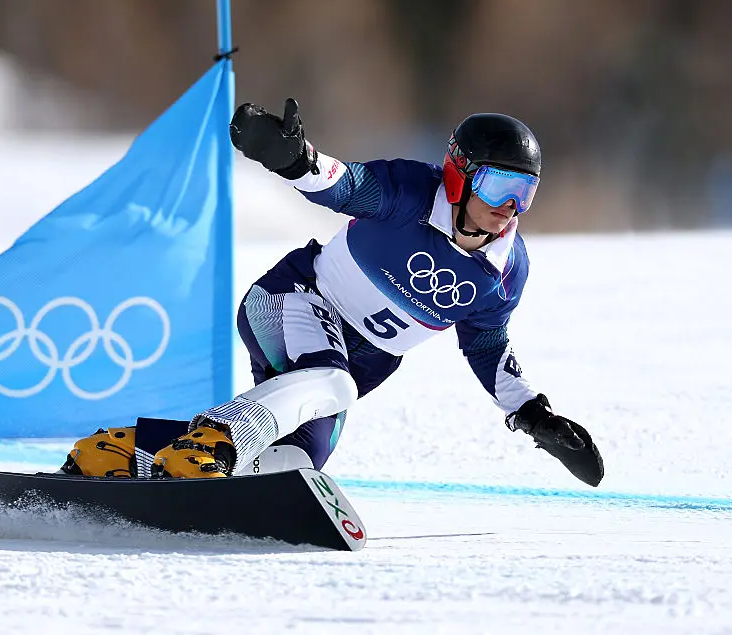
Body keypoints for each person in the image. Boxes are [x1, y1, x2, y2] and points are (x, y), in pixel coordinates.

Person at [60, 99, 604, 487]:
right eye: (499, 187)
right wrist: (296, 159)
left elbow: (487, 347)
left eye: (525, 192)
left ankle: (126, 451)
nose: (509, 208)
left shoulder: (505, 272)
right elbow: (343, 184)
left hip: (355, 362)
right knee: (330, 383)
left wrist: (536, 416)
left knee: (295, 463)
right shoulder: (410, 193)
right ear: (459, 175)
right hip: (292, 299)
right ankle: (217, 440)